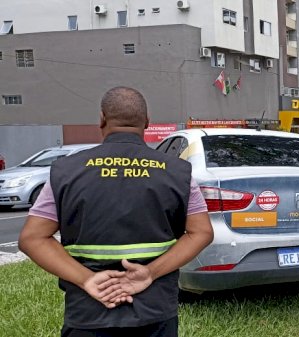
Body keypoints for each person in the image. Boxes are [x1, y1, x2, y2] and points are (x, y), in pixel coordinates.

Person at [18, 87, 214, 337]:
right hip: (154, 310)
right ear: (147, 121)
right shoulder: (178, 172)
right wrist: (150, 273)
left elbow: (32, 238)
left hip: (88, 312)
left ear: (101, 119)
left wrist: (86, 279)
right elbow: (202, 232)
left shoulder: (66, 172)